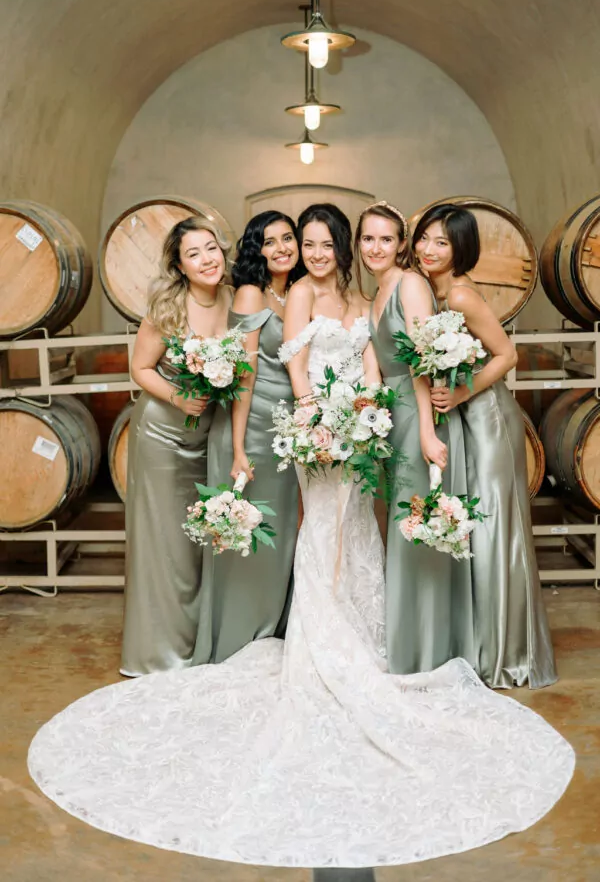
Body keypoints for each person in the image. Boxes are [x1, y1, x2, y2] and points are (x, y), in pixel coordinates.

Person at [27, 206, 573, 871]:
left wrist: (367, 412)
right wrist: (319, 419)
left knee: (358, 532)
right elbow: (294, 365)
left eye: (323, 243)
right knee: (321, 533)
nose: (314, 252)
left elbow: (373, 358)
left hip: (363, 426)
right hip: (316, 430)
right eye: (303, 242)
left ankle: (365, 633)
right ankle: (321, 641)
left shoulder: (365, 296)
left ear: (343, 247)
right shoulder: (298, 300)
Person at [413, 202, 557, 689]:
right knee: (471, 526)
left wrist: (461, 393)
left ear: (461, 249)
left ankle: (508, 654)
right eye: (425, 238)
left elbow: (507, 354)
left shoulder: (459, 295)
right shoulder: (428, 290)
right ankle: (477, 644)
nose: (429, 249)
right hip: (462, 419)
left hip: (488, 418)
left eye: (442, 242)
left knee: (495, 528)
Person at [356, 200, 474, 674]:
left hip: (416, 413)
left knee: (416, 522)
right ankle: (407, 641)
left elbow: (421, 362)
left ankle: (427, 649)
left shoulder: (410, 284)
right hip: (392, 416)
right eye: (368, 238)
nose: (376, 247)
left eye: (386, 239)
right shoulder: (376, 293)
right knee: (402, 525)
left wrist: (426, 432)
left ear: (401, 244)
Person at [120, 215, 232, 676]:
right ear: (180, 266)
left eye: (211, 249)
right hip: (163, 434)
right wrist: (178, 396)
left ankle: (198, 642)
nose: (207, 260)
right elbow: (139, 369)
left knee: (202, 539)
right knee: (164, 540)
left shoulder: (235, 299)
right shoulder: (168, 308)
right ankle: (159, 652)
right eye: (193, 254)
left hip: (210, 435)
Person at [192, 211, 303, 664]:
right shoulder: (250, 292)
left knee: (279, 538)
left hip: (286, 432)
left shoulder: (296, 292)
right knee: (247, 537)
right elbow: (245, 374)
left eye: (288, 238)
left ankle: (271, 633)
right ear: (256, 250)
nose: (282, 248)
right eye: (269, 241)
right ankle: (238, 641)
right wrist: (237, 448)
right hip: (251, 427)